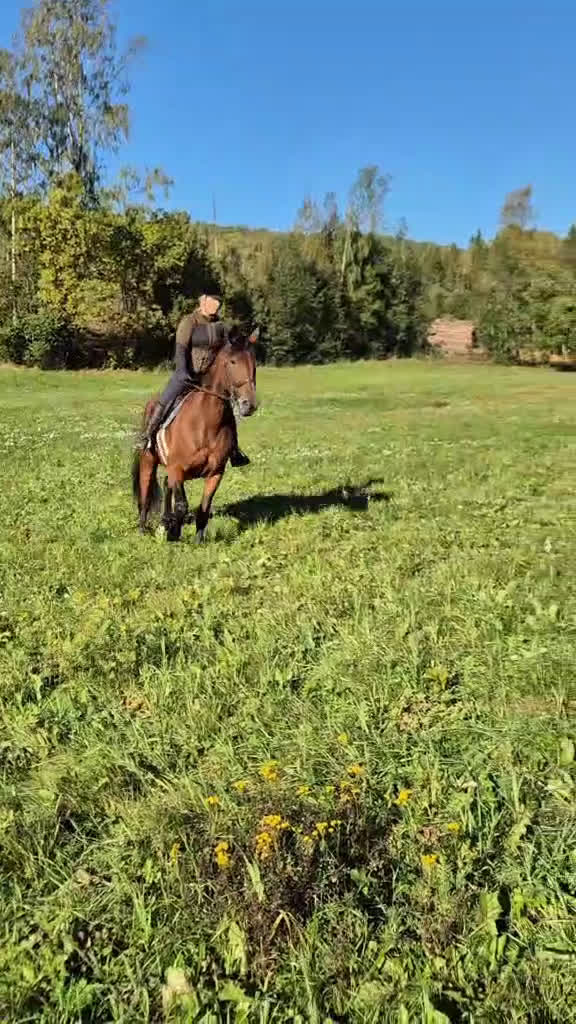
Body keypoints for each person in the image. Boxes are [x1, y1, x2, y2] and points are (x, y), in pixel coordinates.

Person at [143, 294, 250, 466]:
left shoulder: (219, 325)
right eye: (212, 305)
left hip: (208, 376)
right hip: (186, 372)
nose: (215, 309)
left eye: (218, 306)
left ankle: (234, 450)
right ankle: (148, 437)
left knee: (226, 407)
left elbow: (228, 348)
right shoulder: (189, 321)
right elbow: (181, 348)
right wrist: (183, 370)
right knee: (167, 398)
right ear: (202, 302)